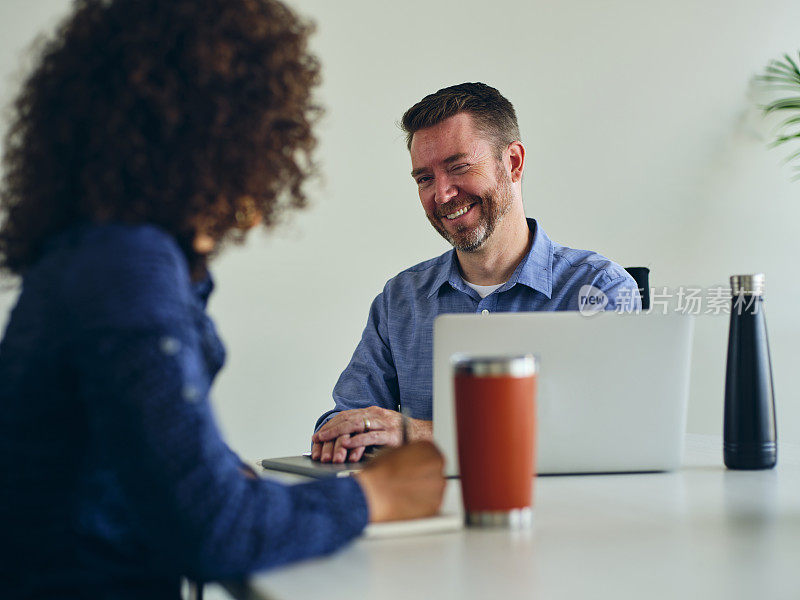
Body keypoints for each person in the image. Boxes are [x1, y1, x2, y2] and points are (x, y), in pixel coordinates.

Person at [0, 0, 445, 597]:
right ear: (220, 128)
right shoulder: (126, 268)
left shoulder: (98, 254)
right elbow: (212, 527)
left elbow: (156, 464)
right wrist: (374, 495)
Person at [312, 82, 641, 464]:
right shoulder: (400, 299)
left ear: (513, 163)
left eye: (458, 168)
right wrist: (344, 433)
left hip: (560, 517)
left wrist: (416, 433)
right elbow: (347, 416)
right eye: (425, 179)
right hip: (422, 517)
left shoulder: (598, 288)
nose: (442, 194)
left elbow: (611, 431)